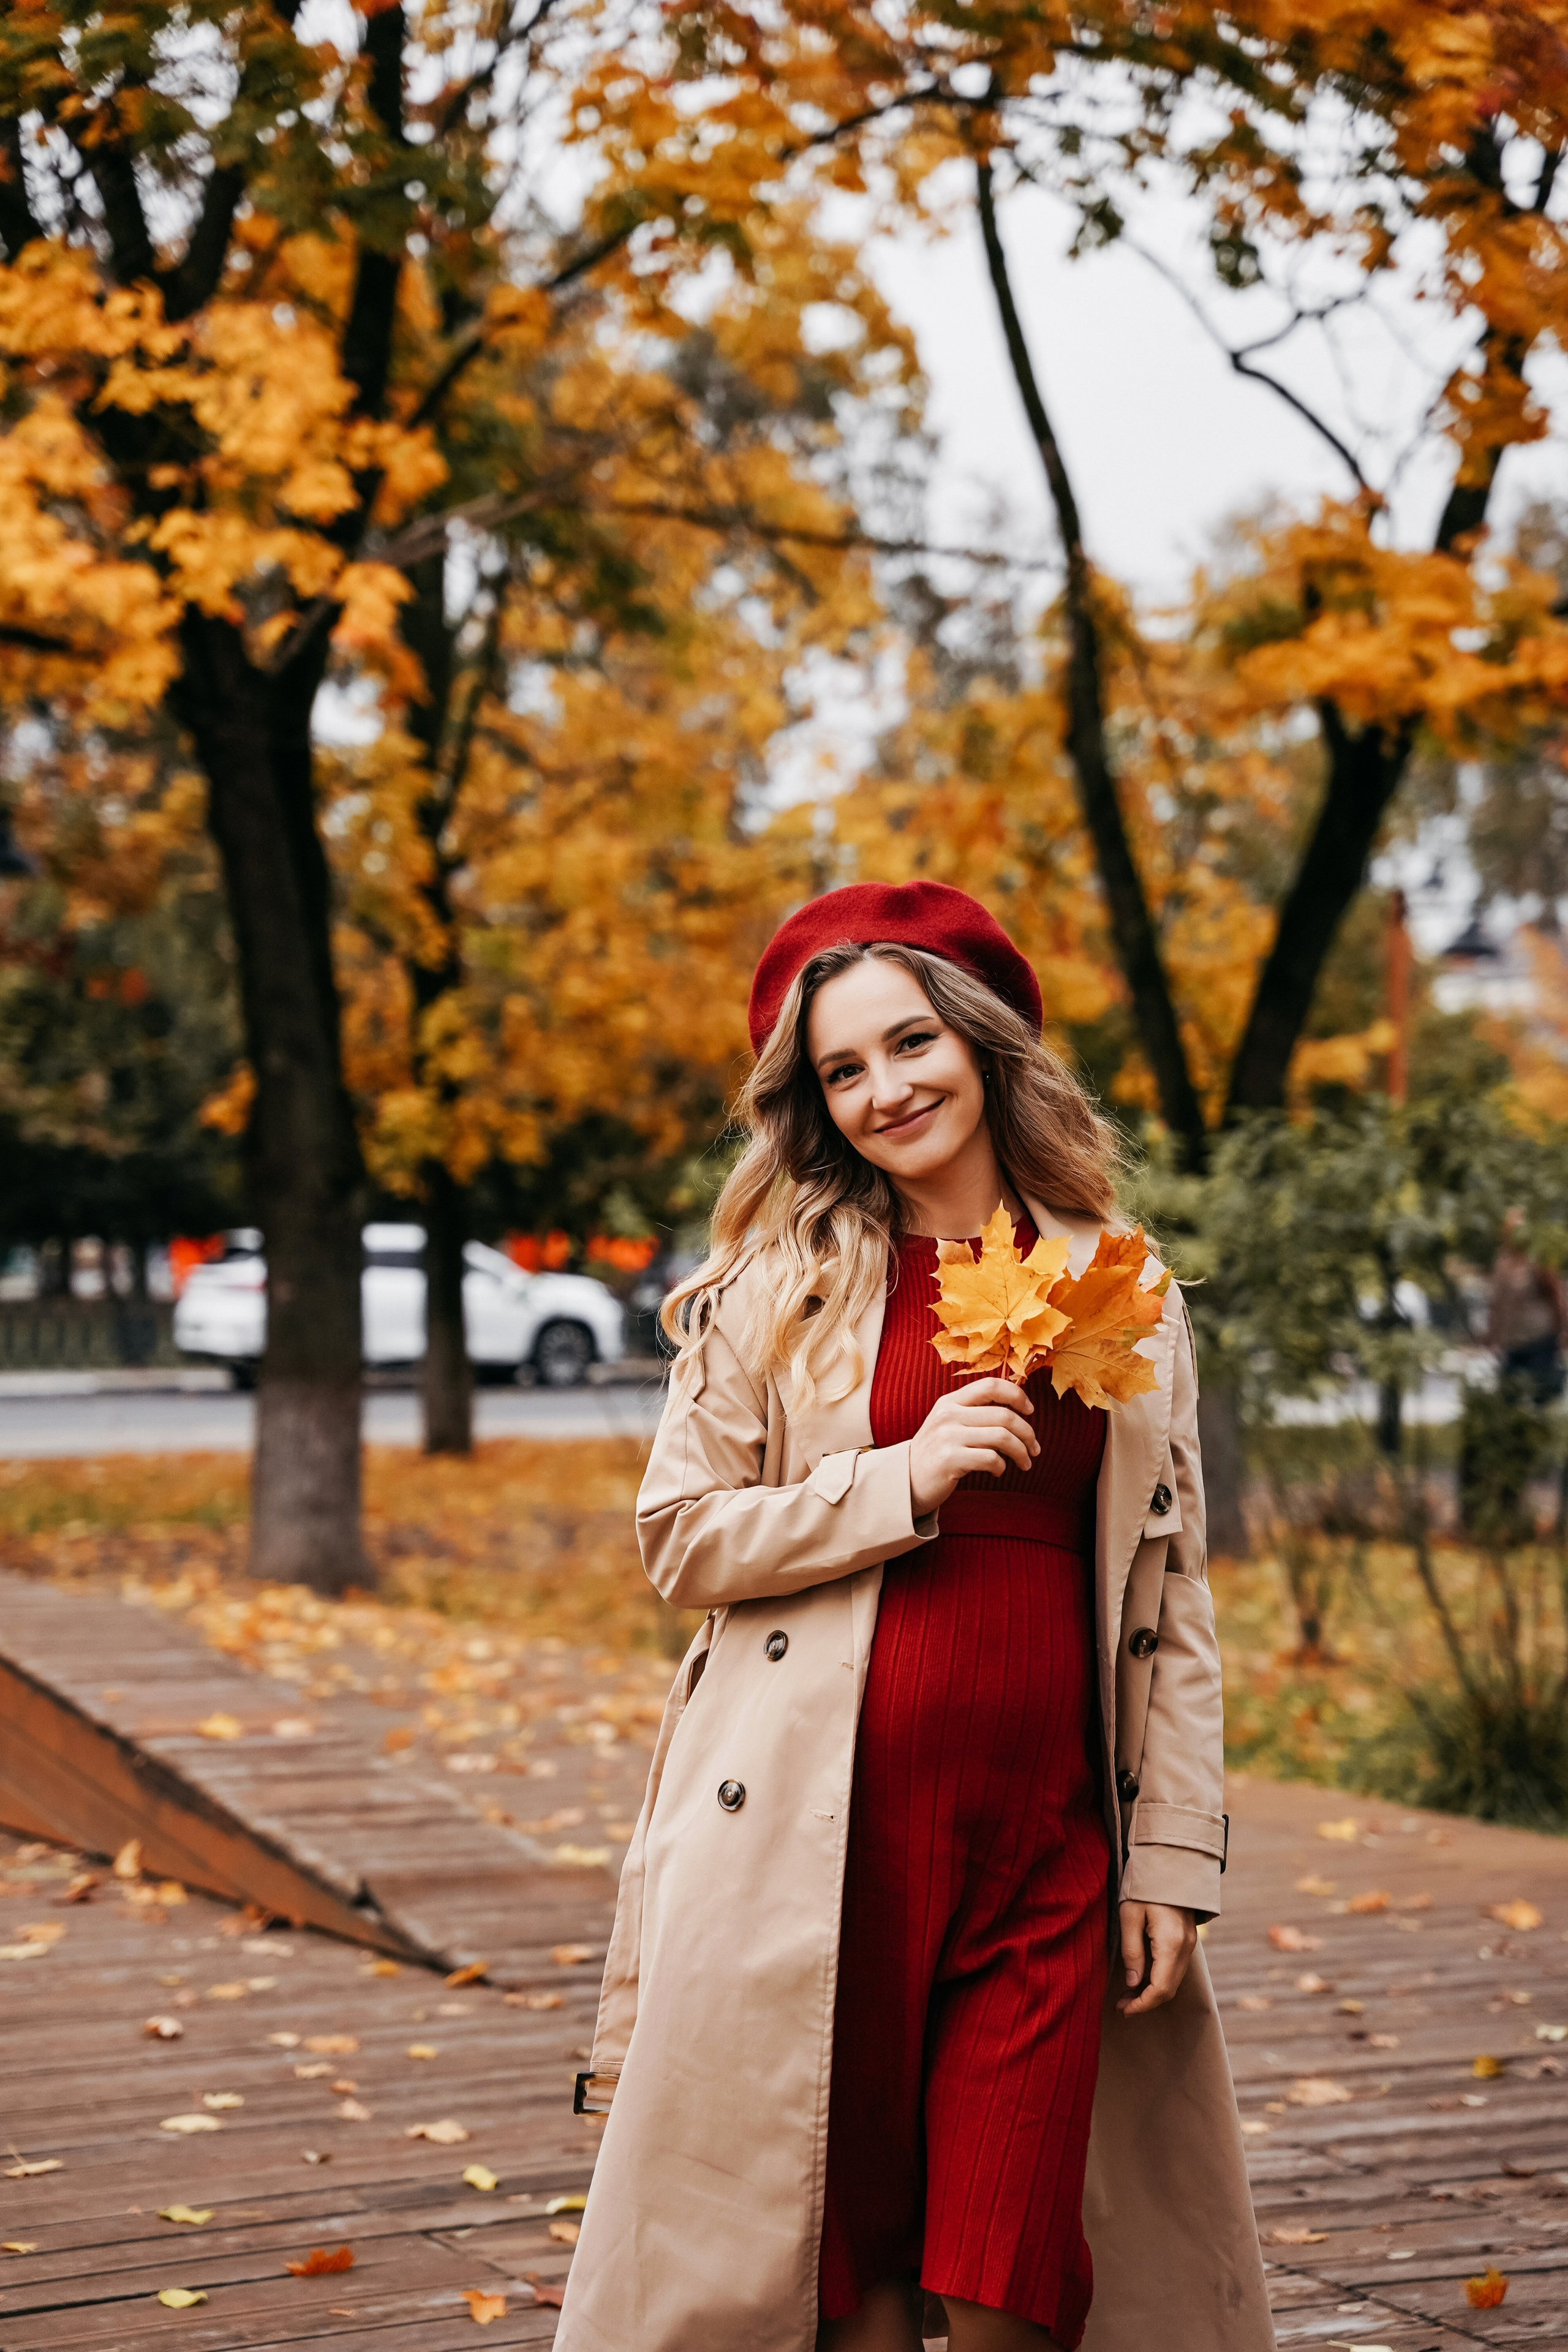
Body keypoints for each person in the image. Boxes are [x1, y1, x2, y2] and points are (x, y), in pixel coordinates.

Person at [554, 882, 1271, 2352]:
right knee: (851, 2283)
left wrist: (1171, 1859)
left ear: (980, 1045)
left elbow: (1171, 1596)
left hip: (1045, 1853)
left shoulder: (1119, 1287)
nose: (883, 1090)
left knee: (1008, 2285)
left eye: (909, 1044)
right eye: (841, 1070)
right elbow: (679, 1538)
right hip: (820, 1856)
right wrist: (901, 1478)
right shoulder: (779, 1289)